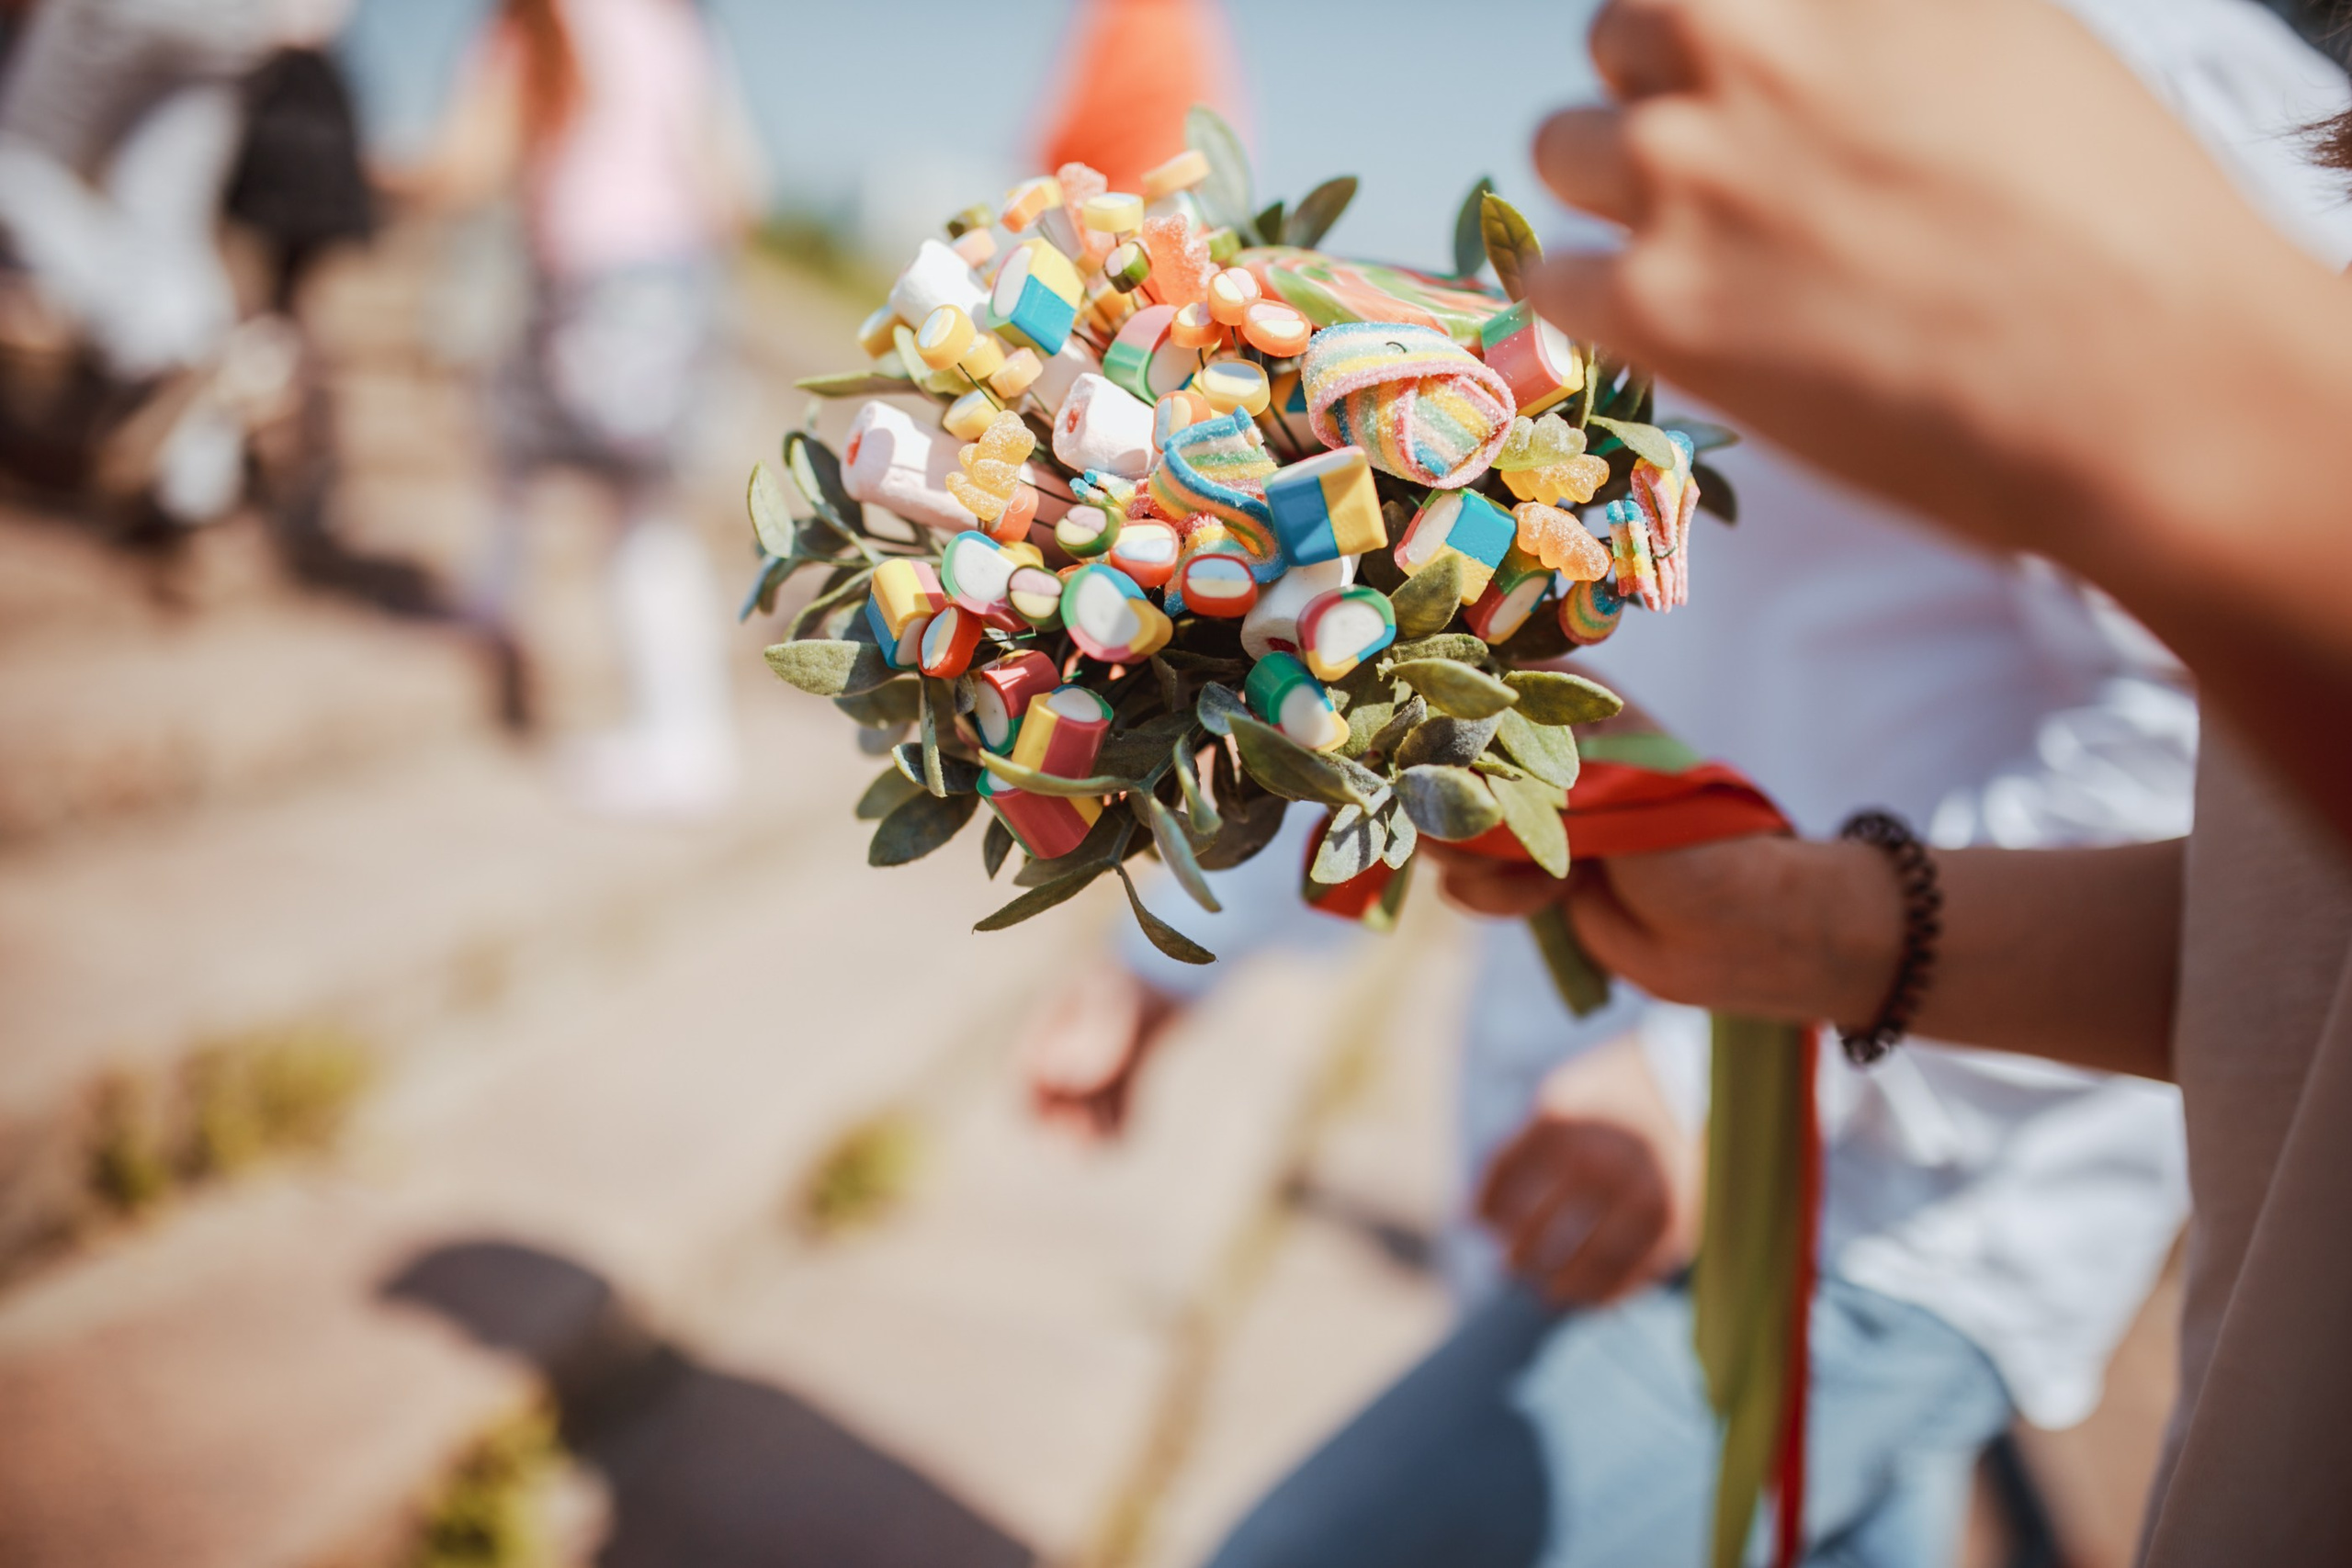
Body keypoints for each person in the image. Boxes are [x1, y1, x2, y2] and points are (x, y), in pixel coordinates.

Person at [1426, 0, 2352, 1559]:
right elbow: (2296, 928)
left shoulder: (2157, 91)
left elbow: (2166, 722)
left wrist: (2225, 428)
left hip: (1920, 1201)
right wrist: (1797, 931)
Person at [399, 0, 759, 811]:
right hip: (672, 280)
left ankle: (684, 744)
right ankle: (490, 610)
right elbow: (736, 190)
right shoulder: (682, 23)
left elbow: (471, 158)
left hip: (601, 274)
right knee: (533, 448)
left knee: (629, 508)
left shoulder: (540, 16)